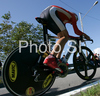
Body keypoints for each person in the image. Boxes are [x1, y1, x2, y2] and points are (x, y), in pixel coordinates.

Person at [40, 5, 90, 73]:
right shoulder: (72, 15)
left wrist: (76, 37)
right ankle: (51, 58)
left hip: (44, 14)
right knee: (64, 37)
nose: (72, 23)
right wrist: (85, 35)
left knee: (63, 37)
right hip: (51, 11)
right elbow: (76, 31)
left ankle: (57, 60)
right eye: (73, 22)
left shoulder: (62, 19)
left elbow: (67, 35)